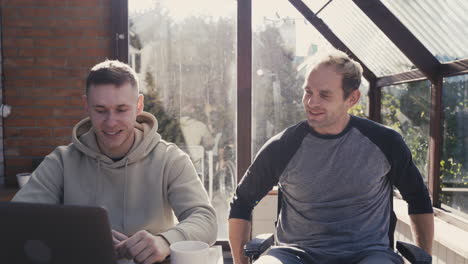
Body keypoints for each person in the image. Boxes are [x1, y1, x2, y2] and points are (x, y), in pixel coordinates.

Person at [228, 50, 434, 264]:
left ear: (352, 98)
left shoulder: (385, 142)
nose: (311, 102)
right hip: (294, 254)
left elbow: (418, 198)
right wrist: (240, 262)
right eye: (308, 92)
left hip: (368, 255)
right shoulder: (283, 146)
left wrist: (423, 257)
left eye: (324, 95)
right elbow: (242, 201)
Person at [12, 60, 217, 264]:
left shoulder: (170, 159)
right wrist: (78, 235)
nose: (110, 122)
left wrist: (165, 241)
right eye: (100, 110)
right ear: (86, 106)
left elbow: (206, 220)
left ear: (138, 106)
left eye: (121, 110)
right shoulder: (62, 162)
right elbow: (15, 222)